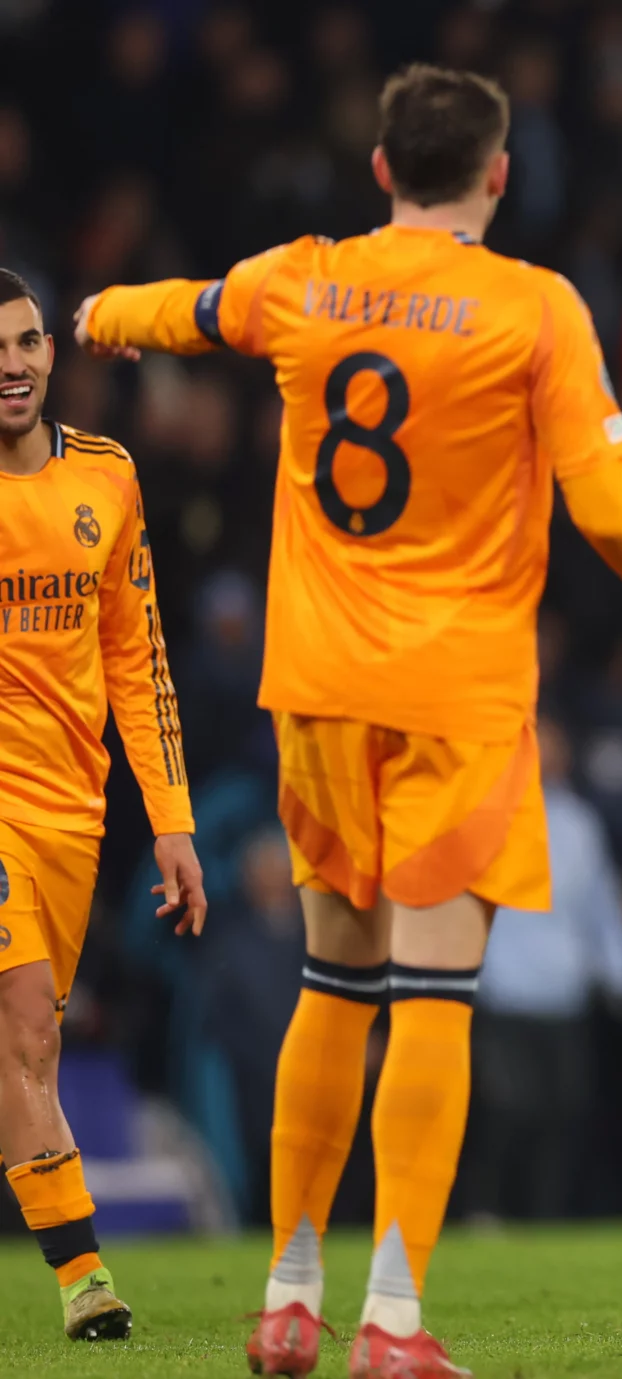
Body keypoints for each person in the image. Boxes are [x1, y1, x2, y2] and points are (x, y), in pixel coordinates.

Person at [76, 65, 622, 1379]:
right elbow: (604, 496)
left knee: (334, 982)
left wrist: (95, 311)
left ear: (381, 170)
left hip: (317, 685)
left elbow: (183, 310)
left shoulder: (304, 277)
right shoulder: (535, 307)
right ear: (498, 173)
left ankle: (286, 1293)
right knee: (431, 995)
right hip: (460, 691)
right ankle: (389, 1319)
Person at [0, 266, 207, 1340]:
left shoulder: (108, 476)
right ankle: (85, 1274)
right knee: (25, 1028)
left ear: (50, 353)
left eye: (27, 342)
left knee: (27, 1047)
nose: (12, 362)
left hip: (73, 813)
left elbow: (141, 662)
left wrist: (171, 821)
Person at [468, 716, 622, 1219]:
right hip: (504, 989)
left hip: (564, 992)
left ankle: (548, 1217)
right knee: (509, 1107)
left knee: (565, 1111)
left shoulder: (580, 824)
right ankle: (489, 1209)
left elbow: (601, 906)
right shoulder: (488, 816)